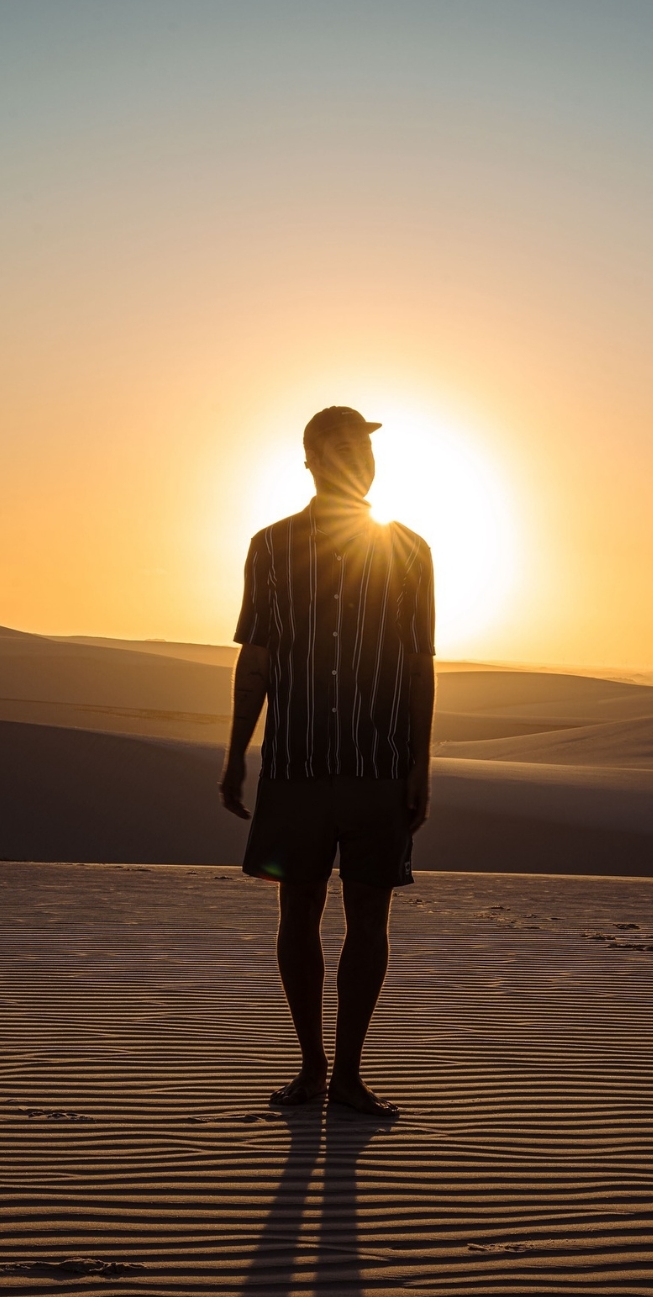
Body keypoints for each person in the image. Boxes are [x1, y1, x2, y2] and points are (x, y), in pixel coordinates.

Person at [220, 406, 435, 1117]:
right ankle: (313, 1068)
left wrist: (419, 766)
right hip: (295, 767)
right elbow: (258, 659)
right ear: (311, 458)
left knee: (371, 916)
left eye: (365, 450)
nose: (359, 461)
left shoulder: (410, 549)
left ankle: (348, 1074)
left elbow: (417, 666)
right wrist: (235, 754)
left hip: (378, 768)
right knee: (298, 910)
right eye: (344, 449)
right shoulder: (271, 546)